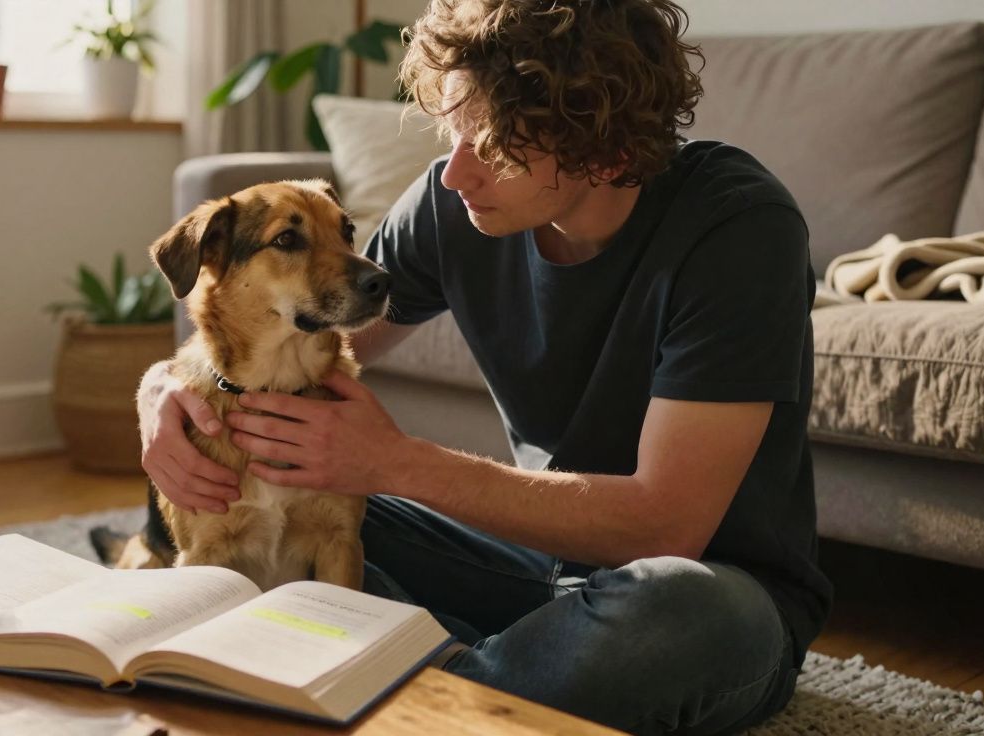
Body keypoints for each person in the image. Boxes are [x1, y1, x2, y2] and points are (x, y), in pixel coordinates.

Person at [136, 0, 832, 733]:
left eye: (494, 146)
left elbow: (667, 526)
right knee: (231, 484)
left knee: (679, 609)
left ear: (603, 146)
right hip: (526, 561)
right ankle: (446, 673)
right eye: (454, 130)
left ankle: (407, 688)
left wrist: (396, 463)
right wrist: (165, 391)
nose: (455, 172)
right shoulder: (454, 206)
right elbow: (296, 346)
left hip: (709, 591)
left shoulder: (738, 227)